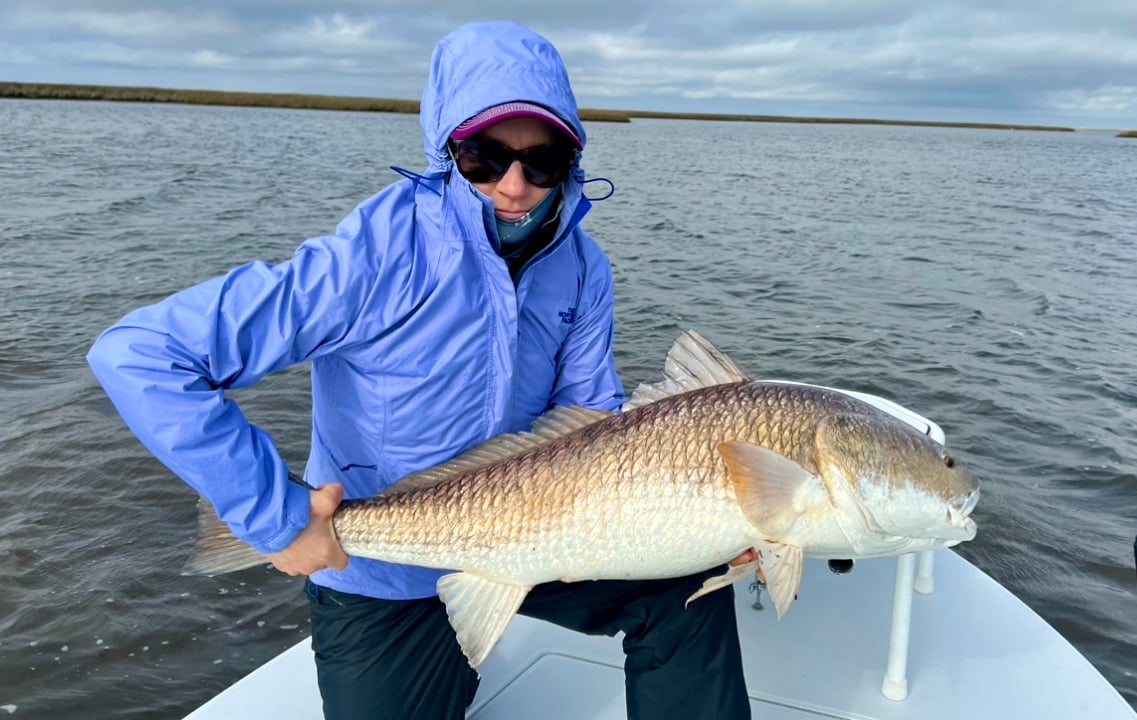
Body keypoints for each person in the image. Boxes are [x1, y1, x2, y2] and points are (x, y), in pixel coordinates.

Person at [87, 20, 751, 720]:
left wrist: (701, 524)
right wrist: (275, 517)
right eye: (484, 157)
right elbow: (139, 353)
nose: (515, 186)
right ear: (446, 152)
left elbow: (589, 416)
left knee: (691, 589)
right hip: (380, 567)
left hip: (541, 538)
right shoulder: (368, 260)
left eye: (543, 159)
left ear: (571, 159)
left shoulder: (583, 265)